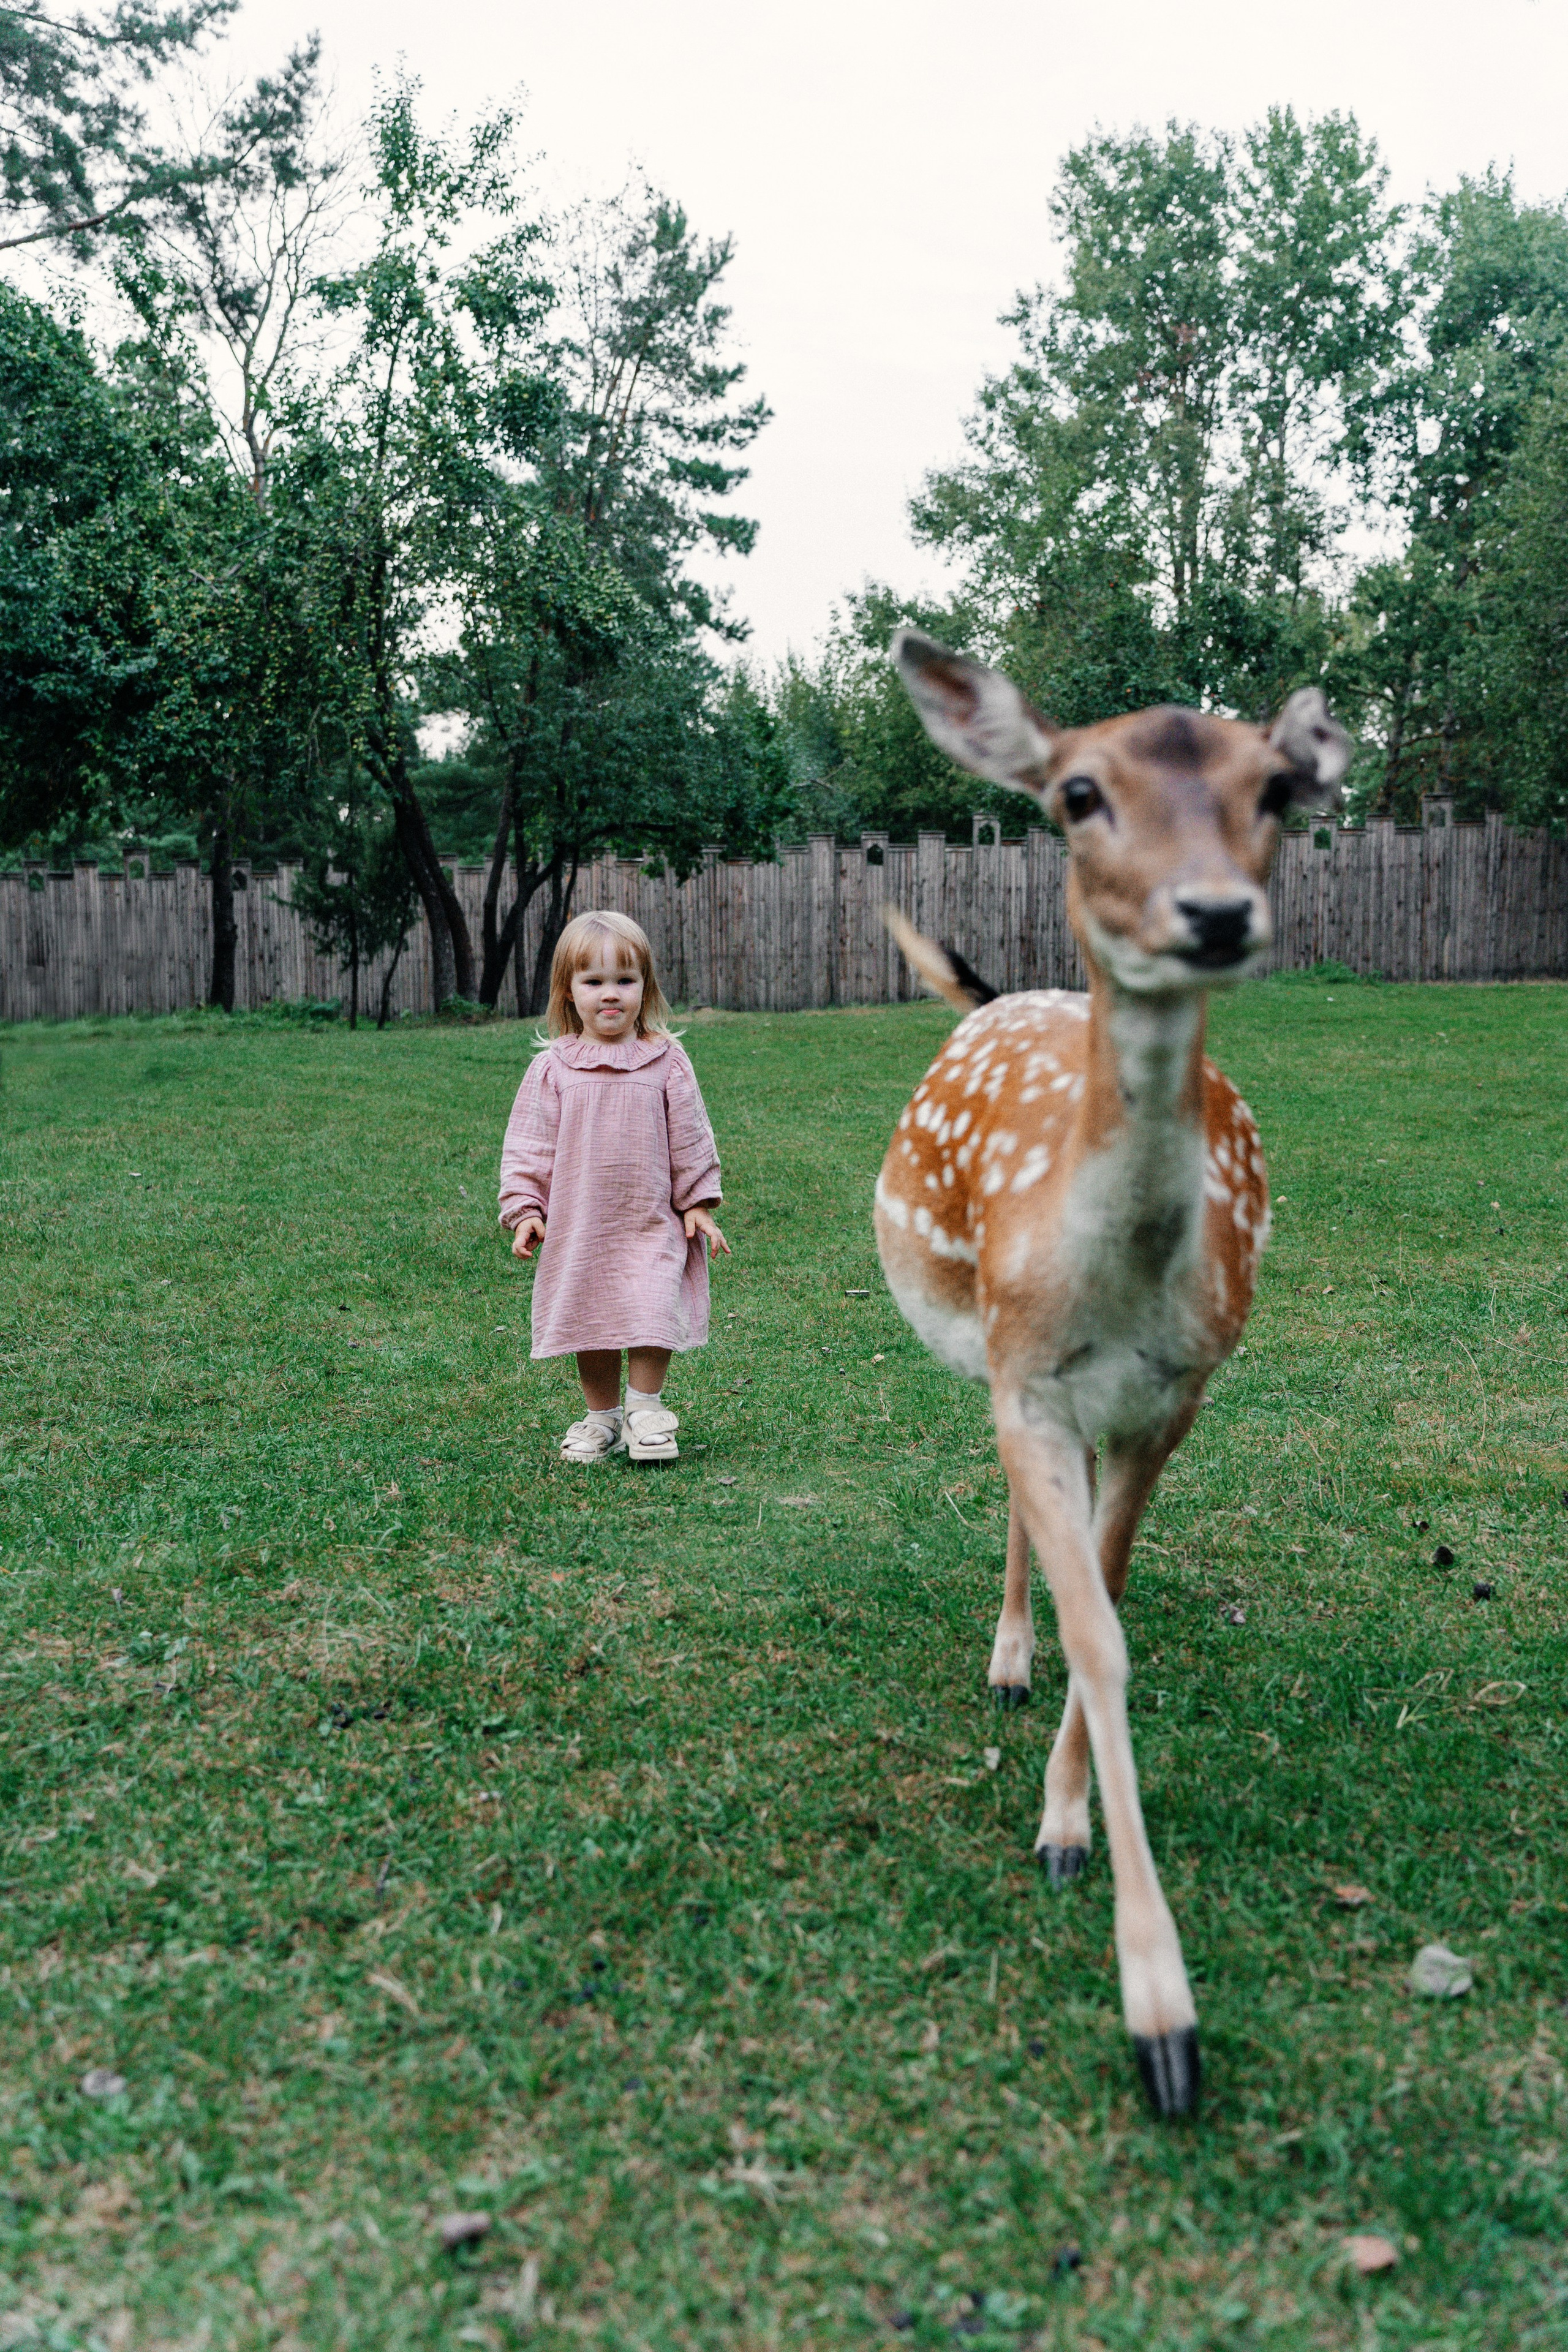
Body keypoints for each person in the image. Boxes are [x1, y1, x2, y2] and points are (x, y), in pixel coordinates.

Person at [498, 911, 729, 1463]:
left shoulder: (666, 1060)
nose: (610, 995)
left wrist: (696, 1203)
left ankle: (645, 1413)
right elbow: (529, 1147)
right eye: (594, 981)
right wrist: (526, 1207)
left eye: (624, 981)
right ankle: (601, 1418)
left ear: (644, 988)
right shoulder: (553, 1069)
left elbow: (690, 1136)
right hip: (583, 1228)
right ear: (568, 991)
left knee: (653, 1307)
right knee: (593, 1319)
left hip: (651, 1220)